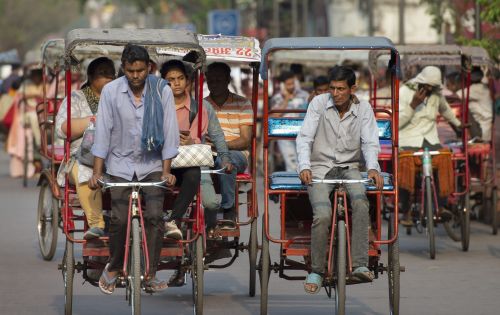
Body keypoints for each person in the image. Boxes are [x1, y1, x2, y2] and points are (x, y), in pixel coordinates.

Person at [89, 44, 178, 294]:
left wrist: (166, 171)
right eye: (131, 71)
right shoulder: (111, 91)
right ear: (123, 69)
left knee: (154, 216)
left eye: (140, 70)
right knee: (117, 218)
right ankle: (115, 266)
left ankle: (149, 273)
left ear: (148, 68)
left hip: (151, 164)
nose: (136, 76)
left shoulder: (162, 90)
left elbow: (170, 133)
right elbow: (103, 133)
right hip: (119, 163)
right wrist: (97, 172)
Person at [297, 65, 384, 294]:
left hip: (350, 168)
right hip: (319, 168)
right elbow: (305, 137)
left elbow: (369, 142)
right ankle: (316, 269)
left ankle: (360, 264)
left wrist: (373, 168)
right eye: (332, 89)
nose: (335, 94)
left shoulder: (363, 108)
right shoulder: (318, 103)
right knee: (323, 214)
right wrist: (304, 166)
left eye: (341, 89)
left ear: (352, 89)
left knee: (361, 203)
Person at [160, 59, 233, 286]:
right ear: (163, 83)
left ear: (189, 81)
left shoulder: (203, 108)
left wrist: (226, 157)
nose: (176, 84)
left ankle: (209, 233)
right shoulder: (156, 106)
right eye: (171, 80)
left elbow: (218, 136)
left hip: (195, 163)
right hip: (163, 164)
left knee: (210, 203)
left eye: (180, 79)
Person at [55, 57, 115, 239]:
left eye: (110, 74)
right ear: (90, 77)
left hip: (115, 156)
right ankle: (97, 224)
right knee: (84, 171)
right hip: (80, 157)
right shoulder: (76, 98)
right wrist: (93, 121)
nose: (107, 78)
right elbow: (62, 129)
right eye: (102, 74)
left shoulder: (121, 98)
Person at [398, 66, 463, 225]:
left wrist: (459, 125)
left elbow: (446, 111)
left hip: (430, 139)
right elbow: (397, 123)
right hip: (408, 139)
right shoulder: (404, 92)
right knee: (405, 163)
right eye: (426, 86)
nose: (428, 90)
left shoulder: (436, 94)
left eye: (431, 87)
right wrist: (413, 105)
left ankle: (440, 206)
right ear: (420, 82)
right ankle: (405, 210)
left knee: (445, 158)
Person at [203, 62, 253, 229]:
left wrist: (221, 147)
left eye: (219, 80)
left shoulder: (243, 103)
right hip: (207, 152)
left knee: (225, 162)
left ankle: (228, 209)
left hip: (236, 153)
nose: (214, 84)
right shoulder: (202, 105)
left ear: (227, 80)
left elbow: (245, 139)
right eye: (211, 81)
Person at [6, 68, 43, 178]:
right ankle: (25, 169)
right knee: (24, 144)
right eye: (34, 75)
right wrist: (32, 95)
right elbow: (17, 96)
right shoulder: (25, 84)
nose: (36, 77)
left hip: (40, 116)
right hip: (25, 117)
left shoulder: (44, 84)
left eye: (38, 75)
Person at [271, 70, 309, 172]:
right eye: (288, 84)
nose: (291, 86)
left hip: (302, 133)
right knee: (291, 162)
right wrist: (286, 99)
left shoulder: (305, 95)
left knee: (303, 162)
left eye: (293, 83)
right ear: (283, 85)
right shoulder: (278, 98)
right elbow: (275, 115)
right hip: (284, 133)